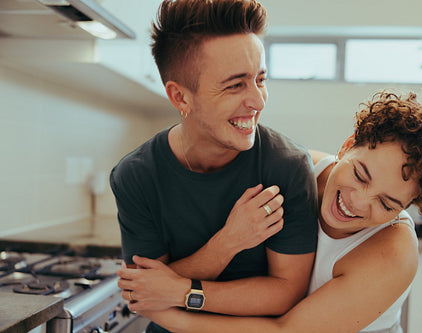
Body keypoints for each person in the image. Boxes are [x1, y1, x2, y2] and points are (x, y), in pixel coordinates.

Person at [126, 91, 422, 332]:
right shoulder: (292, 171)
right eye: (360, 174)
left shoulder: (392, 252)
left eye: (387, 204)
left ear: (407, 208)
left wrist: (177, 313)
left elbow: (287, 330)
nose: (358, 202)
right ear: (347, 146)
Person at [110, 0, 318, 332]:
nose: (258, 100)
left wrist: (184, 291)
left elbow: (286, 293)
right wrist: (227, 243)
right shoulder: (136, 176)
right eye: (235, 85)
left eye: (260, 79)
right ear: (180, 98)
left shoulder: (287, 167)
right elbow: (145, 290)